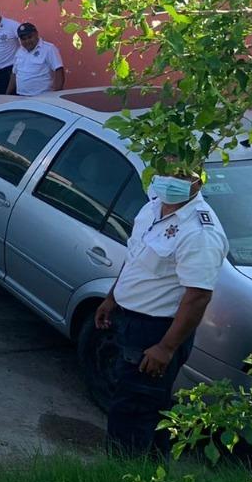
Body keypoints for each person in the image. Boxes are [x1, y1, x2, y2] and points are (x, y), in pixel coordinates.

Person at [95, 170, 227, 456]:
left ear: (200, 178)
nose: (170, 178)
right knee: (137, 408)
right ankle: (149, 474)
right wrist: (112, 298)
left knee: (133, 414)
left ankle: (123, 481)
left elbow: (198, 296)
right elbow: (136, 259)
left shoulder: (201, 231)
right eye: (165, 169)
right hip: (128, 321)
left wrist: (166, 348)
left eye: (181, 173)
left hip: (155, 332)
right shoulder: (152, 205)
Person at [7, 22, 65, 96]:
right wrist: (7, 94)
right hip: (21, 96)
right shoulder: (20, 51)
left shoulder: (48, 48)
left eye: (30, 37)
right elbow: (14, 73)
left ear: (36, 34)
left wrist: (57, 94)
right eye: (23, 39)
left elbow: (59, 70)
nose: (27, 41)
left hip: (42, 96)